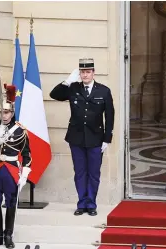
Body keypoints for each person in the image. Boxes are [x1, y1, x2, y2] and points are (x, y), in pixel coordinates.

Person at [50, 58, 115, 216]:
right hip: (76, 137)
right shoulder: (73, 88)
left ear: (93, 73)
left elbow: (110, 116)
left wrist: (107, 139)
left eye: (88, 72)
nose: (85, 75)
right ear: (79, 73)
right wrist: (67, 81)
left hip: (96, 138)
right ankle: (81, 203)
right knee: (79, 172)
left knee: (93, 173)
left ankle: (91, 204)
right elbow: (54, 95)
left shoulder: (103, 91)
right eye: (82, 72)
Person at [0, 84, 32, 248]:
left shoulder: (20, 131)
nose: (4, 115)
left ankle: (8, 235)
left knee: (11, 202)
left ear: (12, 113)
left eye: (7, 112)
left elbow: (27, 154)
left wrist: (25, 173)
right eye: (1, 112)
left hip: (11, 169)